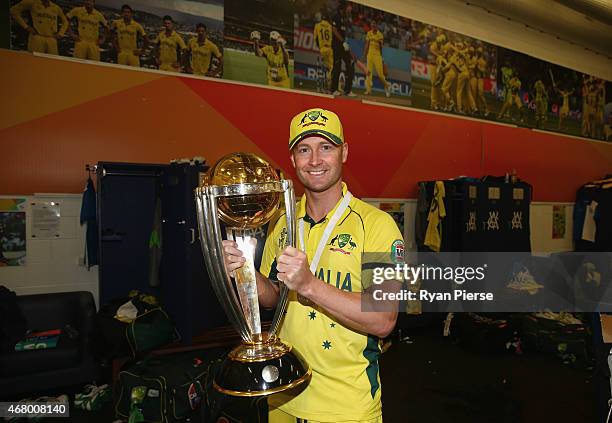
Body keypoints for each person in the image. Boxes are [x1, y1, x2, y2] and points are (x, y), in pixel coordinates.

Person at [223, 108, 403, 422]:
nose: (315, 160)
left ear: (344, 152)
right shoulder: (282, 221)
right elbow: (274, 298)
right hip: (282, 393)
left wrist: (309, 284)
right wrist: (244, 273)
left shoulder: (377, 225)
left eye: (326, 147)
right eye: (304, 150)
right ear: (292, 159)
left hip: (345, 406)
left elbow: (384, 319)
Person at [330, 5, 355, 96]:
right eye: (347, 8)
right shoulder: (336, 16)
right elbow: (334, 30)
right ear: (342, 9)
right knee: (337, 66)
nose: (349, 10)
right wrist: (343, 41)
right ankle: (333, 89)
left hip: (343, 46)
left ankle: (347, 90)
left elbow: (343, 32)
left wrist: (346, 43)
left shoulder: (345, 18)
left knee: (350, 65)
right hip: (337, 46)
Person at [363, 20, 390, 97]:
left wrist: (382, 57)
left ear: (376, 26)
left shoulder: (380, 35)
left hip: (377, 55)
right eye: (372, 25)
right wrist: (364, 55)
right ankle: (368, 90)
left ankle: (387, 86)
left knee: (380, 75)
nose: (373, 26)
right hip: (370, 55)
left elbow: (381, 47)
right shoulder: (369, 33)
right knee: (368, 73)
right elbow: (367, 45)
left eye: (374, 24)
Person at [313, 12, 333, 92]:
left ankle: (320, 87)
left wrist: (320, 48)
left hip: (322, 49)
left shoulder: (317, 25)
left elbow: (315, 39)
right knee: (331, 68)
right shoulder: (330, 26)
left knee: (322, 69)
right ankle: (328, 83)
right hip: (330, 49)